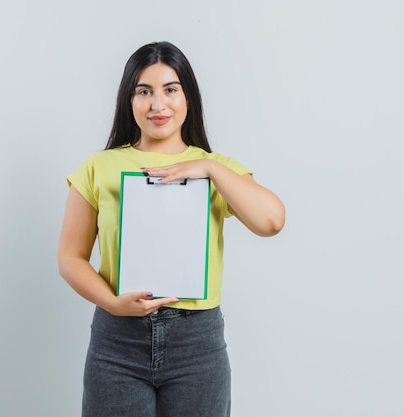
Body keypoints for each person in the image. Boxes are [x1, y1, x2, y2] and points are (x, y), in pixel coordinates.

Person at [57, 41, 285, 417]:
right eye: (144, 91)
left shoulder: (218, 168)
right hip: (117, 342)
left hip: (197, 343)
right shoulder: (98, 167)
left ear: (188, 97)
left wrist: (209, 169)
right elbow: (70, 257)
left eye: (170, 90)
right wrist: (113, 303)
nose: (157, 104)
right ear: (129, 100)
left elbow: (272, 221)